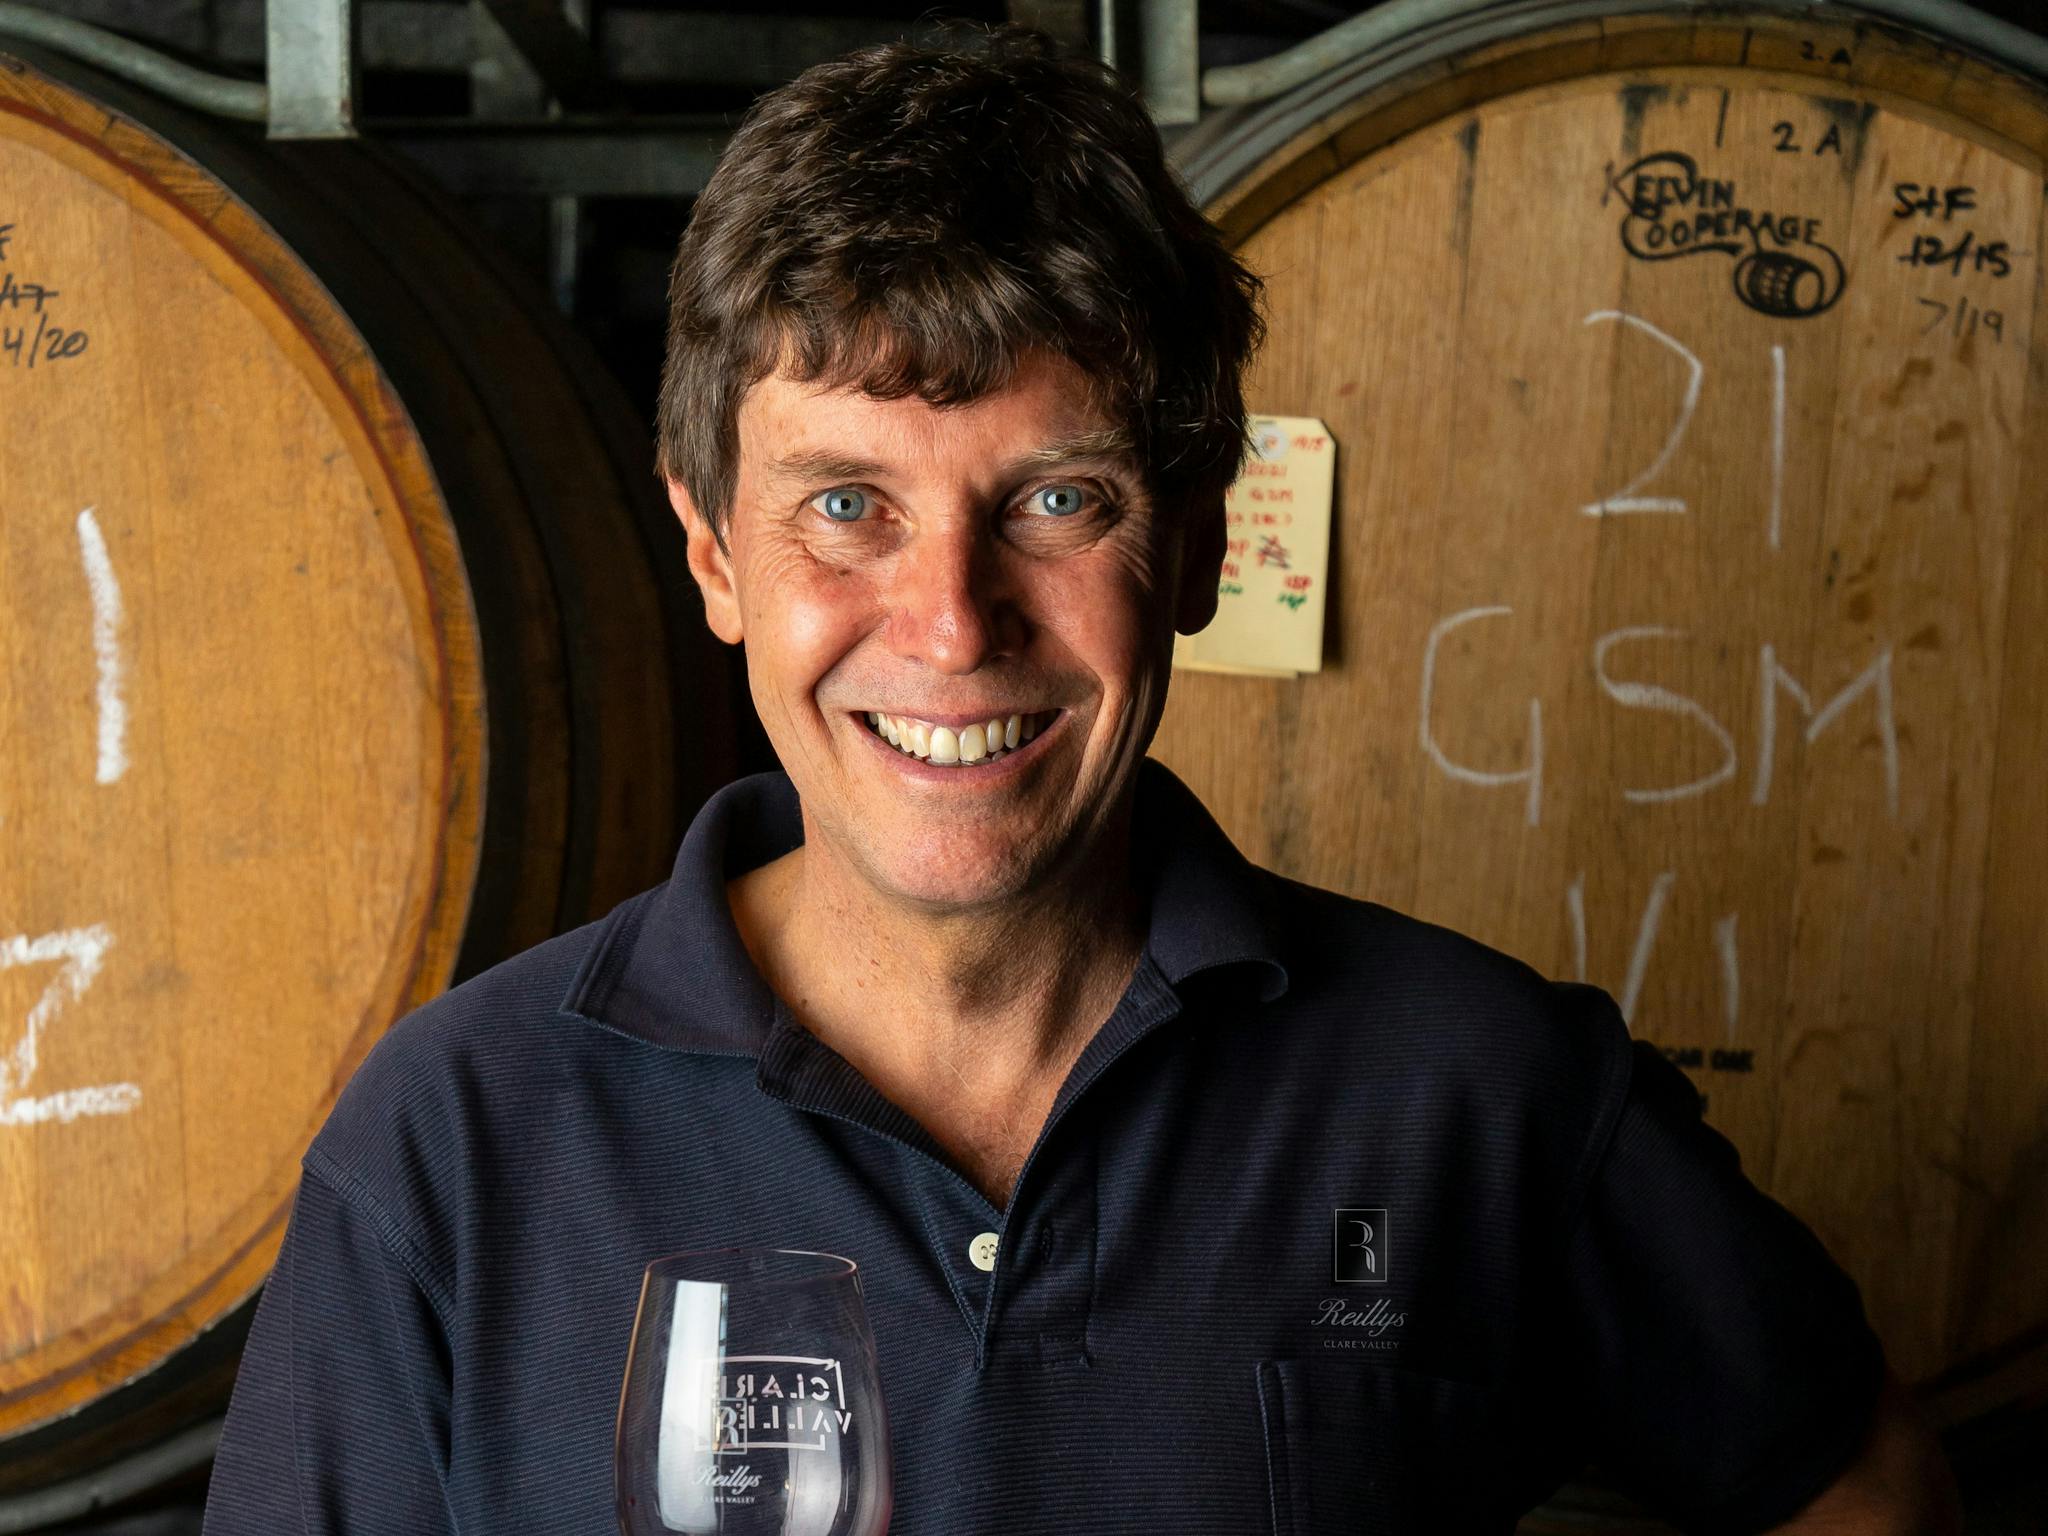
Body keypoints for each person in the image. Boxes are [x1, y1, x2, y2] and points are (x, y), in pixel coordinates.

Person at [200, 21, 1961, 1535]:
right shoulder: (455, 1143)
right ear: (712, 559)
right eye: (844, 506)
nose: (952, 624)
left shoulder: (1475, 1091)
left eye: (1058, 498)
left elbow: (1853, 1479)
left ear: (1195, 547)